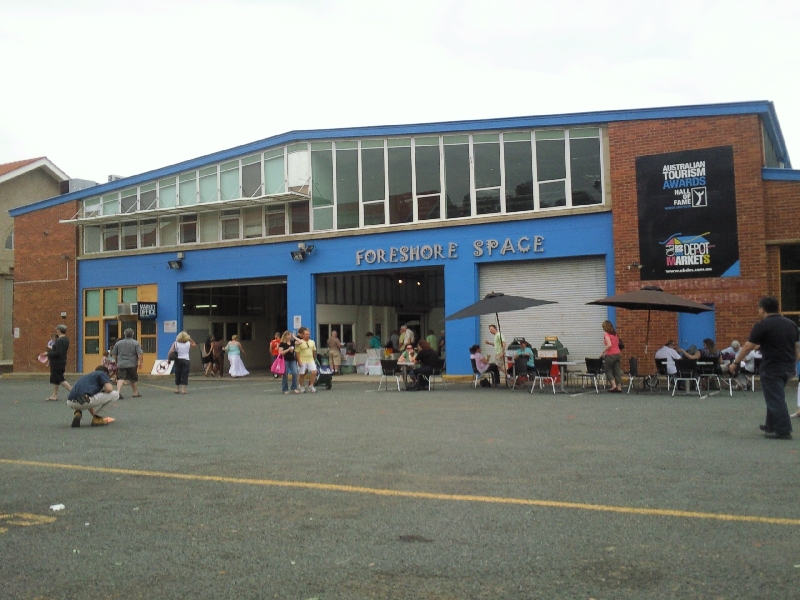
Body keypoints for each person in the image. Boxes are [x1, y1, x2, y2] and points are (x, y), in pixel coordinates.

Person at [729, 296, 799, 440]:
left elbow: (748, 346)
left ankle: (783, 430)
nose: (758, 311)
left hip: (771, 367)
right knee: (774, 395)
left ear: (763, 309)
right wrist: (793, 364)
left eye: (758, 308)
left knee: (775, 398)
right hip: (787, 366)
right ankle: (770, 425)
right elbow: (796, 348)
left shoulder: (762, 325)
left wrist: (736, 362)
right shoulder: (791, 324)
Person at [112, 328, 144, 398]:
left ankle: (118, 392)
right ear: (133, 334)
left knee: (120, 378)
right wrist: (140, 362)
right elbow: (140, 354)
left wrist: (116, 361)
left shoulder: (118, 343)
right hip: (132, 364)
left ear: (124, 334)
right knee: (133, 379)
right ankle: (135, 393)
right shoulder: (136, 343)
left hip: (121, 364)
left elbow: (114, 353)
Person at [46, 324, 72, 401]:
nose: (56, 331)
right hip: (61, 361)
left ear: (59, 330)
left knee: (60, 379)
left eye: (57, 329)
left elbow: (58, 352)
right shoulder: (65, 340)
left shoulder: (60, 341)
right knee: (56, 379)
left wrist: (48, 354)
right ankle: (54, 395)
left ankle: (74, 392)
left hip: (57, 362)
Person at [600, 320, 623, 392]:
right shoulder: (615, 334)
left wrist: (603, 351)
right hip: (618, 354)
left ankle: (613, 385)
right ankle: (619, 387)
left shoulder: (606, 334)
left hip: (610, 355)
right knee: (617, 371)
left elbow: (609, 345)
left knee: (608, 370)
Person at [295, 327, 318, 393]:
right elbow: (297, 352)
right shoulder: (300, 342)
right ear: (302, 335)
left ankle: (311, 385)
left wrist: (314, 358)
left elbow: (314, 350)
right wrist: (299, 360)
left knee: (314, 372)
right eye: (306, 334)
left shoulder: (312, 342)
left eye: (308, 334)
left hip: (310, 360)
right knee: (302, 374)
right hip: (302, 360)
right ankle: (301, 386)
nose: (308, 335)